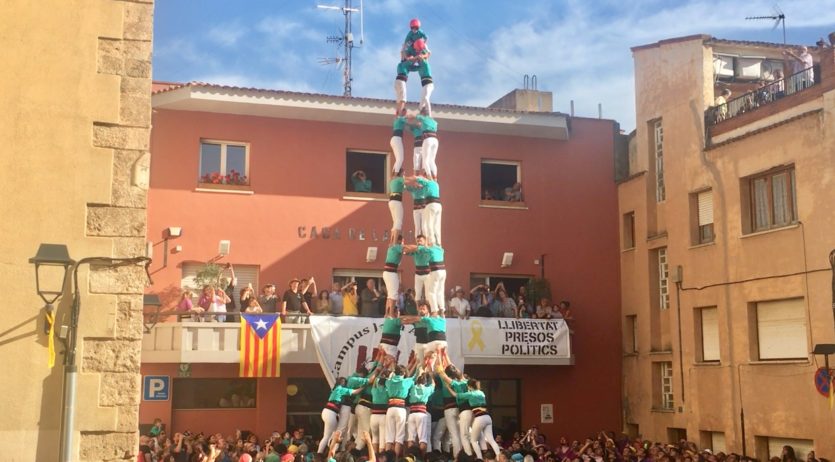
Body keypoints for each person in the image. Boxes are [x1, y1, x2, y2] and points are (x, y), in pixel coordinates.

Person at [445, 379, 502, 460]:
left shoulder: (470, 394)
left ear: (469, 386)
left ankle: (480, 458)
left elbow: (455, 395)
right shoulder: (481, 393)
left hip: (479, 418)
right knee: (491, 439)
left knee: (473, 440)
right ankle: (499, 457)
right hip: (488, 417)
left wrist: (448, 388)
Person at [395, 19, 433, 115]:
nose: (414, 30)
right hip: (413, 52)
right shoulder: (405, 64)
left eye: (416, 28)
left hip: (420, 47)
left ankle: (424, 115)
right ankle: (425, 115)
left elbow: (427, 52)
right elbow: (404, 48)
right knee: (406, 99)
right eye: (413, 28)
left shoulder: (421, 63)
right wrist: (409, 55)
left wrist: (422, 47)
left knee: (421, 99)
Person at [317, 378, 364, 454]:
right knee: (336, 434)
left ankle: (320, 452)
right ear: (341, 383)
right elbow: (356, 392)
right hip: (331, 414)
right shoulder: (341, 389)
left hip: (325, 412)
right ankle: (327, 452)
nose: (345, 384)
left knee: (328, 435)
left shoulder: (334, 389)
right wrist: (364, 386)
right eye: (344, 382)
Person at [405, 172, 441, 247]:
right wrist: (403, 181)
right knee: (418, 227)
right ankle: (418, 241)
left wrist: (411, 178)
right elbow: (405, 187)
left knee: (425, 226)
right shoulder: (414, 189)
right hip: (416, 209)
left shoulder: (426, 185)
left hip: (424, 208)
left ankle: (427, 242)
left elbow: (418, 178)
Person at [407, 370, 435, 456]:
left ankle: (410, 457)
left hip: (411, 414)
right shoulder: (427, 389)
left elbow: (412, 380)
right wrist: (431, 375)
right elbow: (433, 384)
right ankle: (422, 458)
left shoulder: (412, 387)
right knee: (423, 439)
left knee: (411, 438)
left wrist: (419, 372)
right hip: (421, 414)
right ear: (425, 382)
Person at [407, 110, 439, 180]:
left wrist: (408, 116)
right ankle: (435, 178)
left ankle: (429, 177)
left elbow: (413, 116)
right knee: (432, 160)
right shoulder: (434, 122)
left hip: (428, 139)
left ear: (423, 114)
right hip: (435, 140)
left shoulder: (424, 118)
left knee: (426, 160)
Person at [404, 235, 431, 302]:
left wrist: (405, 247)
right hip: (418, 274)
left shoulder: (426, 249)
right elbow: (405, 252)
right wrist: (406, 249)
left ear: (425, 241)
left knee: (428, 294)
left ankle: (428, 310)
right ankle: (418, 311)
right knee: (417, 294)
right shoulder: (415, 250)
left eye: (420, 240)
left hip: (427, 274)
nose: (419, 242)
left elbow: (411, 248)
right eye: (417, 241)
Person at [382, 237, 404, 315]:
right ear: (400, 241)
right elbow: (405, 250)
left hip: (387, 272)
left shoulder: (391, 247)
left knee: (390, 295)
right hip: (391, 272)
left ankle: (386, 314)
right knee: (394, 294)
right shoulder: (397, 247)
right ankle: (391, 314)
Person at [388, 172, 405, 243]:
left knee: (395, 222)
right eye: (403, 173)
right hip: (397, 201)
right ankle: (394, 242)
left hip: (391, 201)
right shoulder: (400, 179)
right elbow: (408, 180)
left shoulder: (391, 181)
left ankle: (392, 241)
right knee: (398, 221)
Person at [390, 110, 407, 176]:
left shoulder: (396, 120)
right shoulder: (401, 119)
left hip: (394, 139)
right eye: (405, 112)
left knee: (398, 159)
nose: (405, 114)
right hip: (397, 139)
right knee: (400, 159)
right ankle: (394, 175)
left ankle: (393, 174)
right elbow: (408, 119)